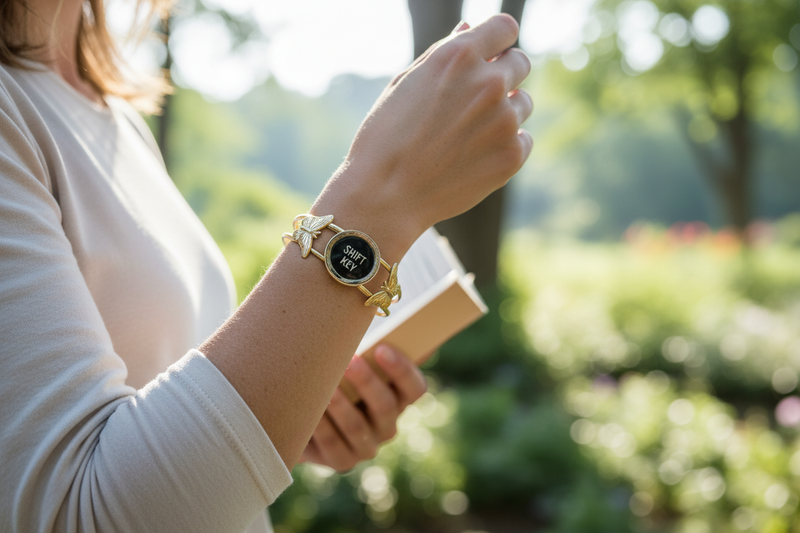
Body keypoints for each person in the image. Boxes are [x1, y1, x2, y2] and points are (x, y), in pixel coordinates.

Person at [0, 0, 533, 530]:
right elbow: (77, 514)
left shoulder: (112, 114)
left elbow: (147, 416)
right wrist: (382, 195)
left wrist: (288, 406)